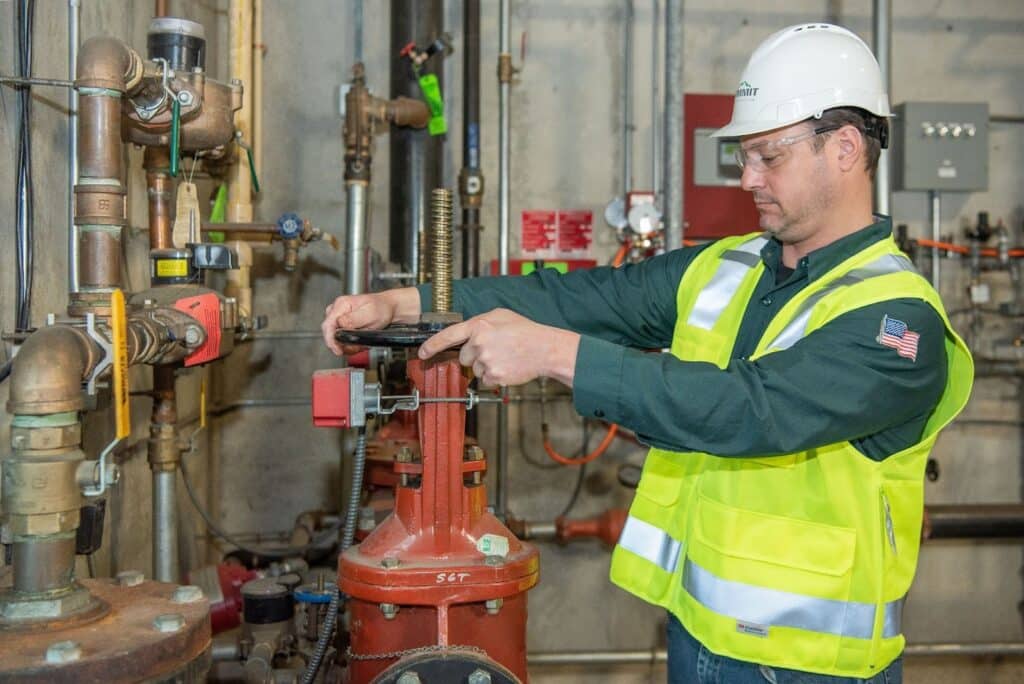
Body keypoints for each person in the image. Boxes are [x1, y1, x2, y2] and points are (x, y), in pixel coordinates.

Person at [322, 23, 973, 684]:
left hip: (814, 666)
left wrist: (553, 355)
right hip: (696, 639)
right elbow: (583, 300)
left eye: (768, 156)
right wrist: (409, 302)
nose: (747, 178)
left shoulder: (898, 322)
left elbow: (750, 411)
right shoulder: (728, 266)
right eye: (743, 155)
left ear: (843, 148)